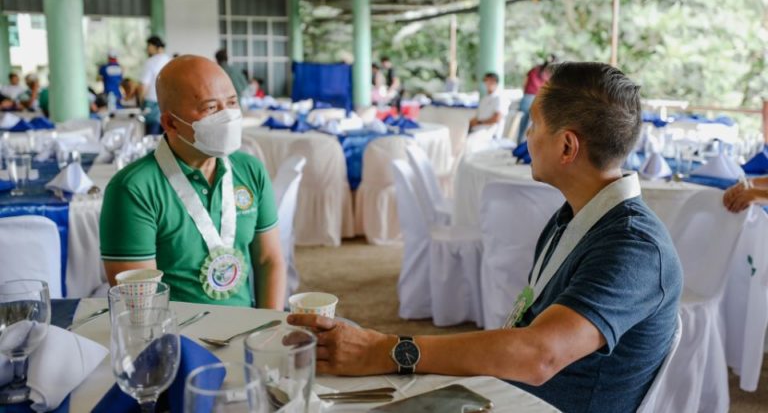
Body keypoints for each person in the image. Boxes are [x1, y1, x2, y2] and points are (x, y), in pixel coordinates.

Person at [288, 62, 683, 413]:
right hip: (507, 391)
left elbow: (538, 356)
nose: (527, 137)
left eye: (534, 125)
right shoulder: (574, 216)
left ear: (567, 145)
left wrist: (386, 349)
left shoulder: (635, 249)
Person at [100, 55, 285, 308]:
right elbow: (142, 307)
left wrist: (269, 329)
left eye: (231, 103)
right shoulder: (133, 189)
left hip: (247, 333)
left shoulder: (250, 169)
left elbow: (268, 260)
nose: (228, 116)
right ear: (170, 122)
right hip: (177, 341)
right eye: (211, 108)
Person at [518, 54, 557, 143]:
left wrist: (525, 93)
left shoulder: (535, 69)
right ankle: (529, 148)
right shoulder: (550, 74)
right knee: (535, 125)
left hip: (527, 97)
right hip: (538, 99)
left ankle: (519, 145)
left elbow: (525, 82)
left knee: (523, 124)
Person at [140, 35, 171, 135]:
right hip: (168, 102)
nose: (147, 49)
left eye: (148, 46)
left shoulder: (150, 62)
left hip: (152, 102)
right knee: (167, 134)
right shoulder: (170, 60)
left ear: (154, 46)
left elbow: (144, 85)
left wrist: (141, 101)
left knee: (152, 135)